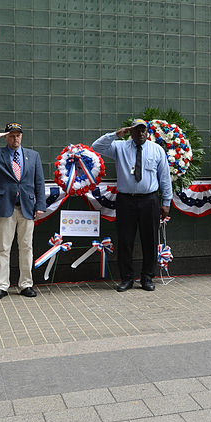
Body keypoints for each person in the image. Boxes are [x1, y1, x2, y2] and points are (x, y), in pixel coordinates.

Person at [92, 118, 172, 292]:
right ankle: (127, 278)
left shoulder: (156, 150)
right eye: (137, 130)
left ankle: (147, 278)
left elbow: (164, 178)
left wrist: (166, 202)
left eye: (144, 130)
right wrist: (115, 135)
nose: (141, 133)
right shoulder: (120, 147)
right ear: (131, 132)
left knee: (150, 240)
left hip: (149, 200)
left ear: (148, 132)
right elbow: (96, 147)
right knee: (125, 240)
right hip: (126, 200)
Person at [0, 122, 46, 300]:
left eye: (18, 135)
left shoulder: (33, 156)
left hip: (27, 208)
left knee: (26, 247)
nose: (15, 138)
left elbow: (39, 183)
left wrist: (40, 206)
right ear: (6, 137)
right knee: (3, 248)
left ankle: (26, 284)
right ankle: (2, 286)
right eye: (11, 135)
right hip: (5, 208)